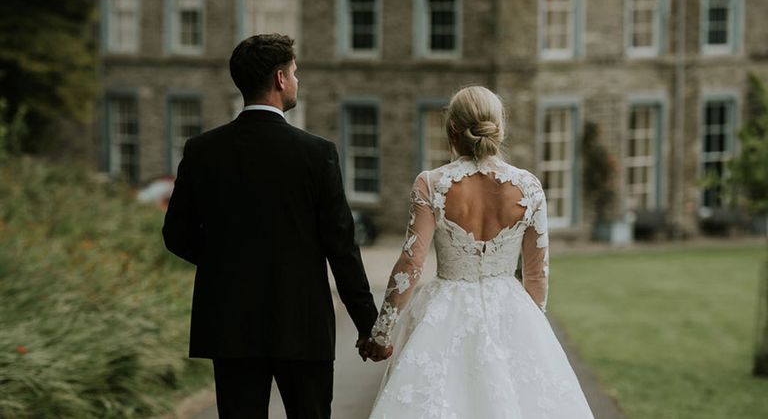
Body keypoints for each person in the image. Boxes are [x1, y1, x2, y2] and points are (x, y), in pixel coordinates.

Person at [162, 34, 386, 419]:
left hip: (230, 322)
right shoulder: (317, 154)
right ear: (280, 79)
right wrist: (369, 325)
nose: (298, 81)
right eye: (295, 73)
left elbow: (176, 234)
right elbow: (342, 247)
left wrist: (224, 261)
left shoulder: (202, 150)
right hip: (302, 321)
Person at [360, 86, 595, 418]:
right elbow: (536, 272)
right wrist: (531, 331)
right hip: (511, 310)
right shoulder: (528, 186)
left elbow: (411, 263)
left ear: (452, 130)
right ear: (498, 128)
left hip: (445, 310)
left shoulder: (431, 183)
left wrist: (381, 333)